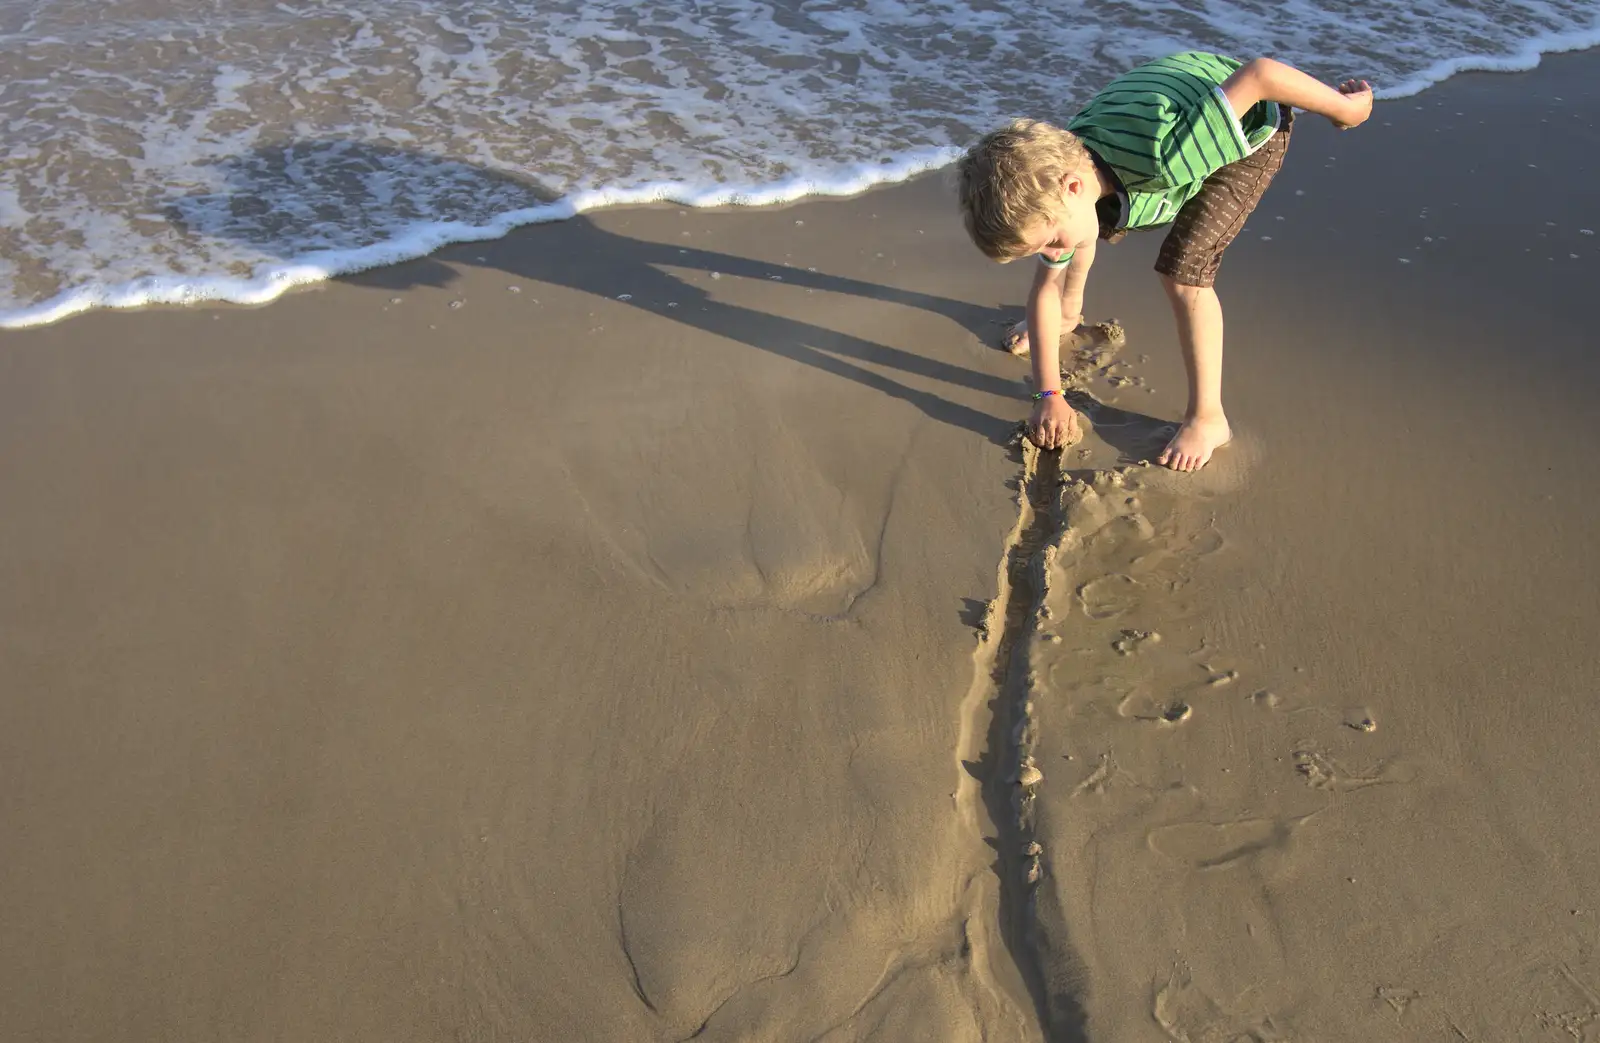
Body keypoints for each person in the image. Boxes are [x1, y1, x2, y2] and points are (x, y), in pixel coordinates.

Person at [957, 53, 1372, 470]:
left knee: (1183, 273)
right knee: (1084, 225)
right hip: (1171, 98)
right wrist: (1049, 395)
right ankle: (1070, 312)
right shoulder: (1066, 168)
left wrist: (1347, 110)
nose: (1051, 254)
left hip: (1250, 128)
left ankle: (1209, 418)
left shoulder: (1167, 157)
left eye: (1048, 243)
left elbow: (1262, 75)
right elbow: (1045, 281)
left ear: (1073, 184)